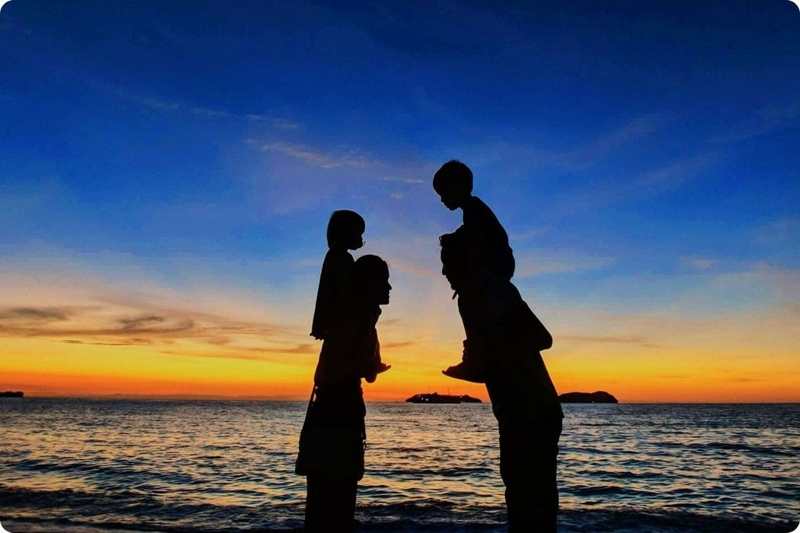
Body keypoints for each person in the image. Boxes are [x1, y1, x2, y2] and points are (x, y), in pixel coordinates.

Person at [439, 230, 563, 532]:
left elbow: (540, 338)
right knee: (519, 494)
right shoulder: (467, 298)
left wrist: (489, 350)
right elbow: (489, 364)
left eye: (448, 263)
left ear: (467, 260)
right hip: (511, 410)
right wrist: (473, 365)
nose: (443, 272)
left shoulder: (495, 290)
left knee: (533, 499)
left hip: (534, 409)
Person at [297, 254, 392, 533]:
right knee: (334, 509)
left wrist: (368, 367)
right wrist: (364, 366)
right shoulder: (353, 317)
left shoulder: (365, 319)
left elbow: (366, 371)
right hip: (334, 418)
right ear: (367, 282)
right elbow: (328, 373)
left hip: (339, 418)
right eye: (384, 281)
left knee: (327, 509)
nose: (389, 287)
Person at [432, 160, 515, 383]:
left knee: (467, 300)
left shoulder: (473, 210)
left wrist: (470, 274)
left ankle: (476, 358)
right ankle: (478, 352)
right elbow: (473, 233)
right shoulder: (473, 210)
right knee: (469, 300)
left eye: (443, 192)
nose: (442, 199)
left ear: (458, 186)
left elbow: (477, 240)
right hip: (497, 265)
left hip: (496, 266)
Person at [310, 210, 389, 382]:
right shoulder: (341, 258)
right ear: (344, 232)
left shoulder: (337, 256)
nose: (360, 239)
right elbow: (343, 293)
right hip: (341, 323)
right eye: (358, 233)